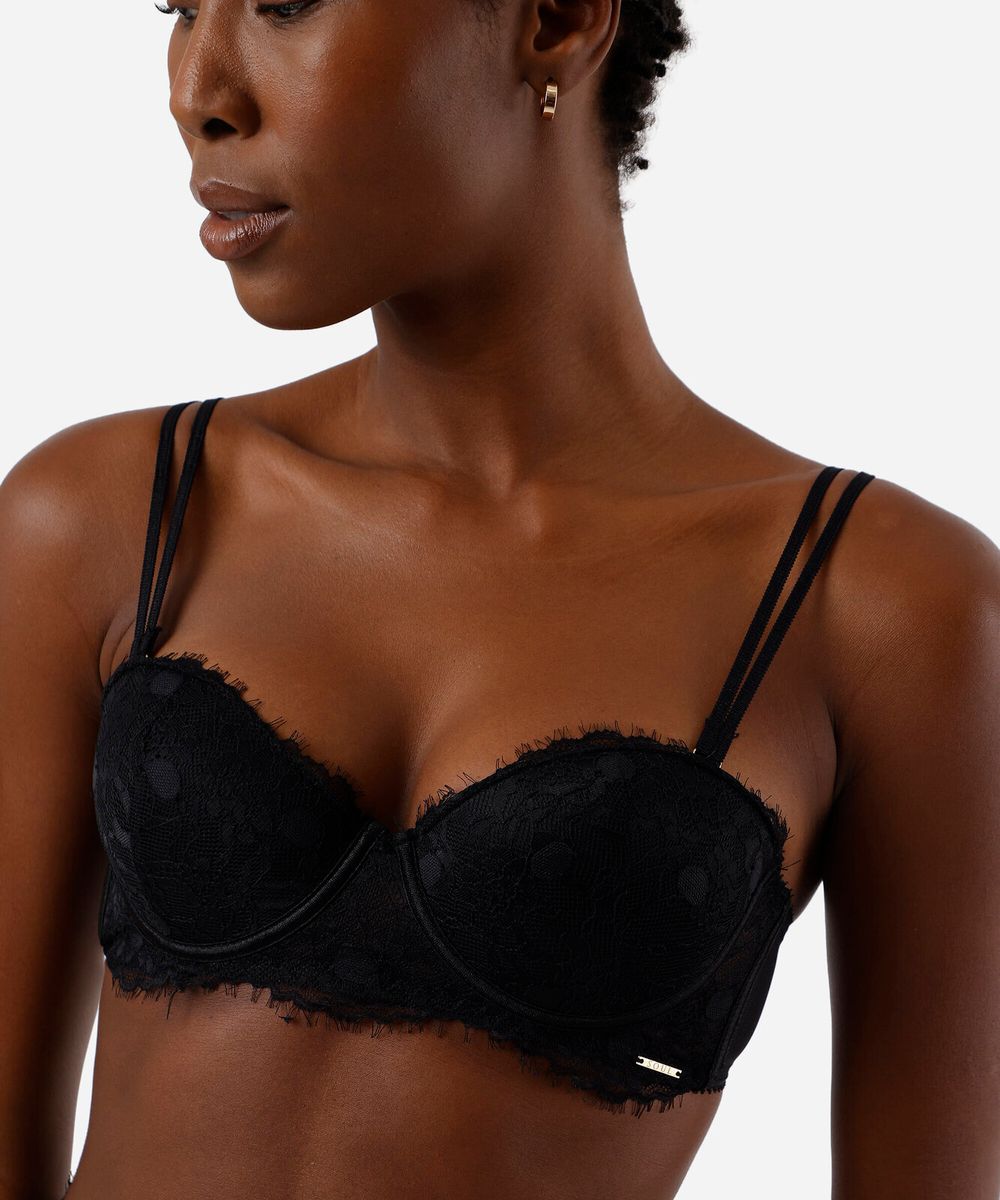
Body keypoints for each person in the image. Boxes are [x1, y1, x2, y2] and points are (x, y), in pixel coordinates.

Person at [2, 2, 998, 1198]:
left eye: (283, 2)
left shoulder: (882, 606)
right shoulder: (103, 517)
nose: (198, 91)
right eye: (178, 8)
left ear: (558, 20)